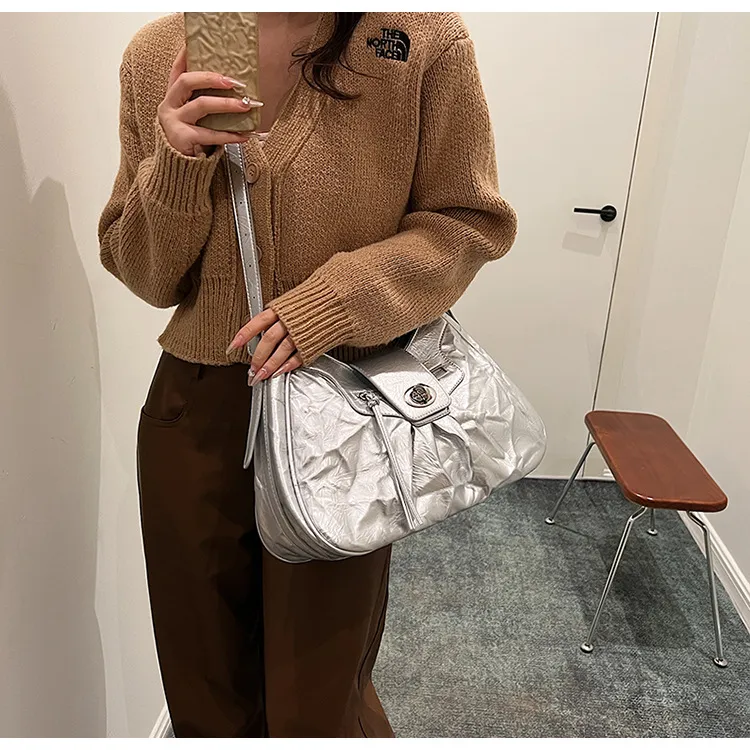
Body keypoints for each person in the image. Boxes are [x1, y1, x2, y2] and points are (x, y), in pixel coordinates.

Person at [97, 10, 517, 739]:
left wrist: (333, 304)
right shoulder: (165, 52)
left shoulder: (414, 40)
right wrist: (177, 163)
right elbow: (147, 275)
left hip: (346, 406)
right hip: (197, 407)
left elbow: (467, 222)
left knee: (317, 692)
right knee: (203, 683)